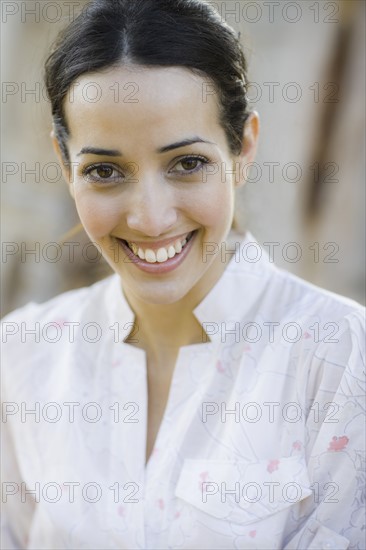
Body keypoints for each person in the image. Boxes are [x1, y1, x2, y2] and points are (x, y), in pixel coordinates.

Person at [1, 0, 365, 549]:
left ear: (243, 148)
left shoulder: (339, 358)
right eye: (104, 171)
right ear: (63, 164)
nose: (149, 217)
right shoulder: (24, 355)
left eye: (187, 163)